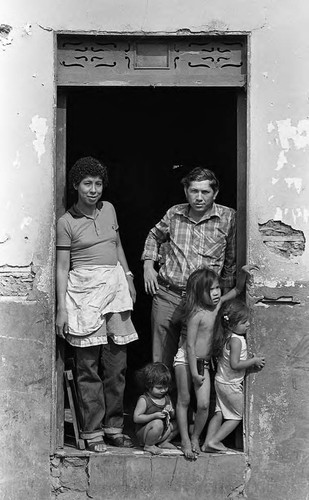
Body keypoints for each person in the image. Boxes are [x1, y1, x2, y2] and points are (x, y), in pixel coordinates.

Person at [56, 156, 138, 452]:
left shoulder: (109, 210)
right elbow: (62, 266)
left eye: (98, 184)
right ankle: (92, 433)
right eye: (87, 184)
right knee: (87, 366)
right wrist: (61, 309)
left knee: (116, 365)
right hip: (83, 293)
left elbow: (116, 246)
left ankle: (114, 427)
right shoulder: (66, 222)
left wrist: (128, 276)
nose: (93, 190)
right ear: (76, 185)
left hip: (115, 289)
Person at [142, 167, 236, 369]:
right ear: (186, 191)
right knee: (161, 359)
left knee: (199, 358)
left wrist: (223, 299)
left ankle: (197, 401)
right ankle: (164, 400)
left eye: (205, 192)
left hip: (204, 300)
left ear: (215, 193)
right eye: (194, 191)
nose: (199, 197)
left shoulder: (228, 218)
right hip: (168, 294)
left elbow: (230, 261)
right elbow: (154, 236)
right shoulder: (174, 213)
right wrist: (148, 266)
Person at [174, 264, 256, 460]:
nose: (216, 293)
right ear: (197, 292)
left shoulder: (217, 307)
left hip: (203, 363)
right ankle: (185, 440)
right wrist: (194, 372)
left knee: (203, 405)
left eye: (217, 288)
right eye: (210, 290)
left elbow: (236, 290)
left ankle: (196, 437)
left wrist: (243, 274)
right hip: (186, 361)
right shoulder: (196, 314)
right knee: (184, 401)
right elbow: (191, 347)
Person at [202, 299, 265, 453]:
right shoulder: (237, 340)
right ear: (231, 324)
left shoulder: (227, 336)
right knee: (236, 415)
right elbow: (235, 365)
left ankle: (207, 444)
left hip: (220, 381)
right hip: (231, 385)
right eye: (244, 322)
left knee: (219, 413)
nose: (248, 324)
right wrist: (253, 361)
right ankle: (215, 441)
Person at [133, 362, 178, 455]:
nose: (163, 390)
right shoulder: (145, 399)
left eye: (165, 387)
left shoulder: (166, 398)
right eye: (159, 388)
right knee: (158, 423)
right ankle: (148, 445)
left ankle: (163, 442)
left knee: (178, 424)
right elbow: (137, 418)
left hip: (161, 432)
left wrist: (171, 411)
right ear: (149, 386)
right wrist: (154, 416)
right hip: (146, 433)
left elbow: (172, 416)